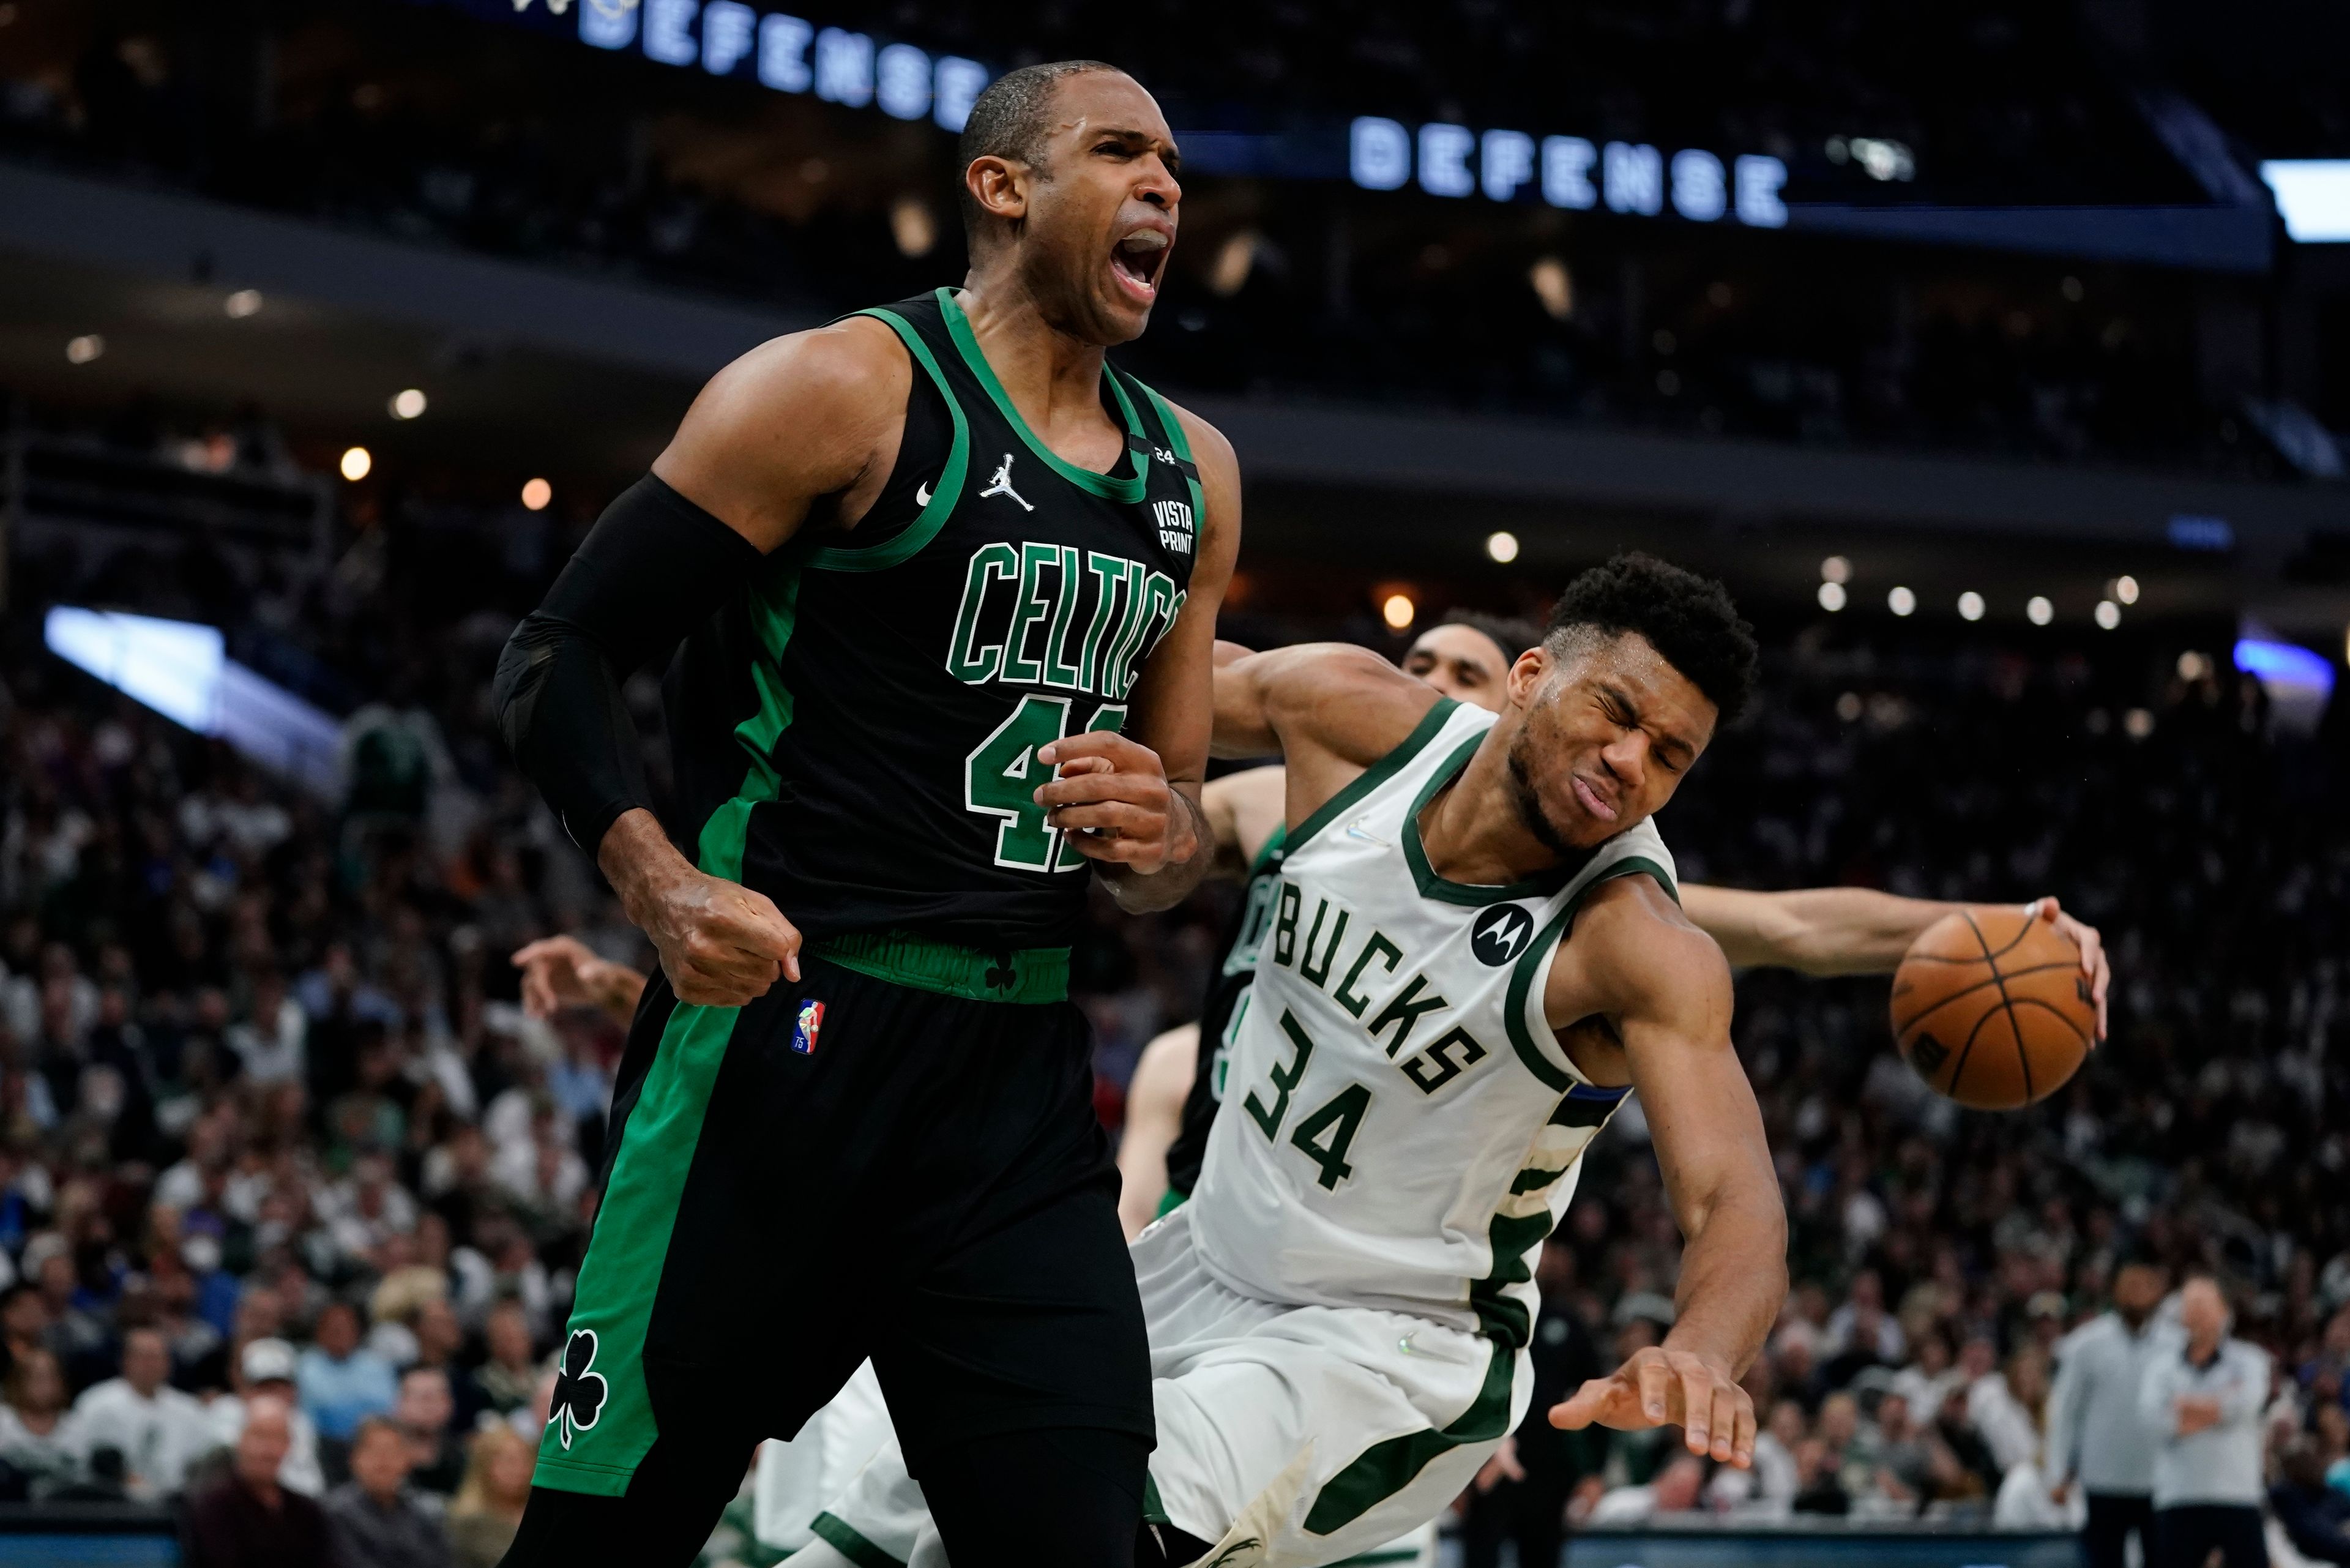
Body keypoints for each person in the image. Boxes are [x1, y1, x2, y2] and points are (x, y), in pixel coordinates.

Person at [490, 56, 1236, 1567]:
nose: (1164, 184)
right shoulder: (837, 390)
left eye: (1173, 162)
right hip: (782, 1042)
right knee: (599, 1544)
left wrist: (1168, 843)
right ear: (1001, 185)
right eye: (1118, 152)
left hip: (1018, 1083)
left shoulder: (1193, 475)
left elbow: (1172, 835)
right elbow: (554, 653)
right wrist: (658, 886)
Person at [793, 554, 1789, 1566]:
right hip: (1195, 1261)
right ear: (1531, 674)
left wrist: (1704, 1348)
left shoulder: (1637, 946)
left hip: (1381, 1350)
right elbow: (1118, 681)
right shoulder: (1350, 717)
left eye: (1669, 754)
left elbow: (1734, 1198)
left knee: (1046, 1512)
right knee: (856, 1542)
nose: (1630, 760)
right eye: (1614, 711)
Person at [2048, 1256, 2174, 1568]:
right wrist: (2058, 1471)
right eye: (2129, 1285)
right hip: (2104, 1479)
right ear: (2115, 1290)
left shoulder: (2177, 1343)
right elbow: (2066, 1411)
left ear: (2157, 1291)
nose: (2137, 1293)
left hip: (2161, 1480)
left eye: (2144, 1285)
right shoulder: (2086, 1344)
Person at [2140, 1275, 2271, 1568]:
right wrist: (2221, 1406)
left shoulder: (2250, 1360)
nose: (2197, 1312)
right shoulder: (2160, 1367)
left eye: (2204, 1304)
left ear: (2224, 1311)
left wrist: (2185, 1406)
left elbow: (2246, 1405)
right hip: (2178, 1495)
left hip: (2238, 1495)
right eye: (2191, 1305)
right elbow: (2154, 1419)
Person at [181, 1393, 336, 1568]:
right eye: (260, 1436)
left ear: (289, 1445)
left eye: (277, 1438)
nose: (268, 1450)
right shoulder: (213, 1505)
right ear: (241, 1440)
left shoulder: (307, 1511)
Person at [65, 1324, 214, 1499]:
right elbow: (75, 1457)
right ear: (125, 1361)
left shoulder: (188, 1409)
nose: (150, 1365)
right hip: (111, 1504)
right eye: (143, 1357)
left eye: (157, 1357)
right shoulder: (96, 1403)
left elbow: (206, 1461)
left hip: (174, 1505)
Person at [204, 1337, 327, 1497]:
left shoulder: (300, 1422)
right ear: (245, 1389)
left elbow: (313, 1484)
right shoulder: (225, 1412)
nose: (273, 1396)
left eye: (281, 1387)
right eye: (265, 1387)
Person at [326, 1414, 453, 1568]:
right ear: (354, 1458)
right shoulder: (335, 1513)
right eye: (373, 1450)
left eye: (392, 1450)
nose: (383, 1460)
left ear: (408, 1459)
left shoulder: (427, 1512)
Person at [299, 1299, 399, 1451]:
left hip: (374, 1446)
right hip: (322, 1447)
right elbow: (306, 1420)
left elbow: (390, 1411)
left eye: (346, 1328)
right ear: (319, 1332)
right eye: (334, 1329)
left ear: (357, 1332)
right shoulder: (305, 1368)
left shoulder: (378, 1366)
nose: (340, 1334)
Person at [446, 1423, 536, 1568]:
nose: (519, 1470)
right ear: (484, 1466)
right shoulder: (466, 1523)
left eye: (525, 1460)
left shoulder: (543, 1515)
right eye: (509, 1461)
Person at [0, 1345, 81, 1495]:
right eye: (37, 1378)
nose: (45, 1386)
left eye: (52, 1377)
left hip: (64, 1512)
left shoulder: (77, 1425)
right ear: (18, 1382)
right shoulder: (3, 1422)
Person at [2273, 1436, 2350, 1566]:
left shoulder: (2331, 1493)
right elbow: (2313, 1534)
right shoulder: (2286, 1496)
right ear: (2290, 1467)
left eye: (2313, 1458)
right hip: (2311, 1558)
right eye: (2303, 1461)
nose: (2312, 1465)